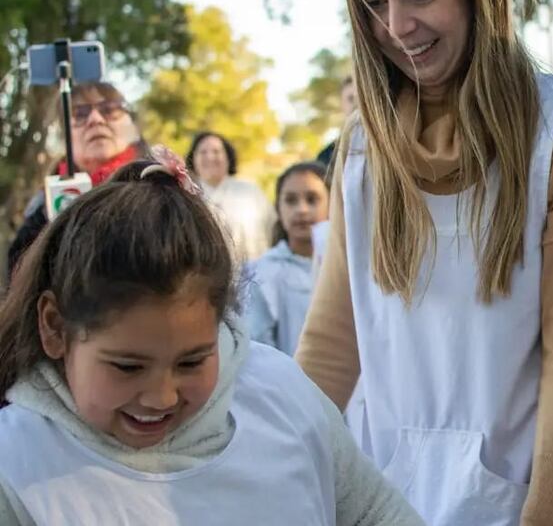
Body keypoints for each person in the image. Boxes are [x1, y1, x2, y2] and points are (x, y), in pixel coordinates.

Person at [294, 0, 553, 524]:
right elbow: (333, 347)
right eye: (373, 3)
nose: (396, 26)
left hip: (531, 502)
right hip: (385, 502)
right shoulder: (362, 146)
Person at [0, 152, 423, 525]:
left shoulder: (282, 393)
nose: (162, 397)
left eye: (192, 362)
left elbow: (374, 512)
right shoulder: (15, 468)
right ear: (55, 328)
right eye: (128, 367)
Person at [6, 82, 147, 276]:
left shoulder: (160, 181)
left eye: (109, 110)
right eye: (80, 114)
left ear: (132, 127)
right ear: (64, 137)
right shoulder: (44, 202)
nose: (95, 120)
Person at [244, 161, 330, 355]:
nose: (301, 210)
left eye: (312, 199)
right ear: (278, 208)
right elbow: (258, 349)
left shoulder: (349, 272)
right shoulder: (261, 274)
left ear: (332, 205)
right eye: (291, 200)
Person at [186, 131, 275, 262]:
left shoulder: (250, 191)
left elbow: (273, 228)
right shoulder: (187, 195)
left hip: (256, 272)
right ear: (193, 159)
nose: (210, 157)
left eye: (216, 151)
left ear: (228, 157)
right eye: (203, 152)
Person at [316, 75, 358, 167]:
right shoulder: (326, 156)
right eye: (351, 99)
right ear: (342, 104)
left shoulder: (386, 148)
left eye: (361, 98)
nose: (357, 104)